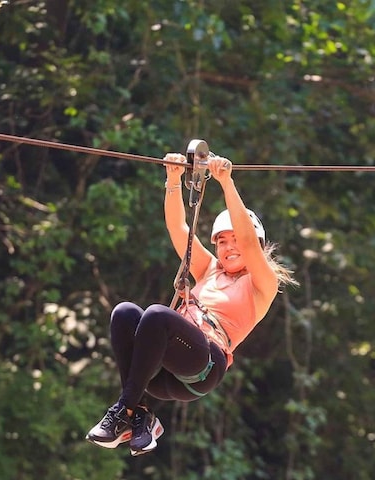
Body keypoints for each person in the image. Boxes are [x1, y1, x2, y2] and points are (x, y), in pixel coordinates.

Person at [86, 152, 296, 456]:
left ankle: (124, 411)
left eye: (234, 239)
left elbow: (250, 244)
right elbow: (178, 229)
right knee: (125, 313)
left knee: (157, 315)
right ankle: (139, 415)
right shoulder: (209, 269)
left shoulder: (261, 284)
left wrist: (226, 182)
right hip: (162, 374)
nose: (228, 246)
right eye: (222, 241)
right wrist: (173, 179)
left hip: (204, 366)